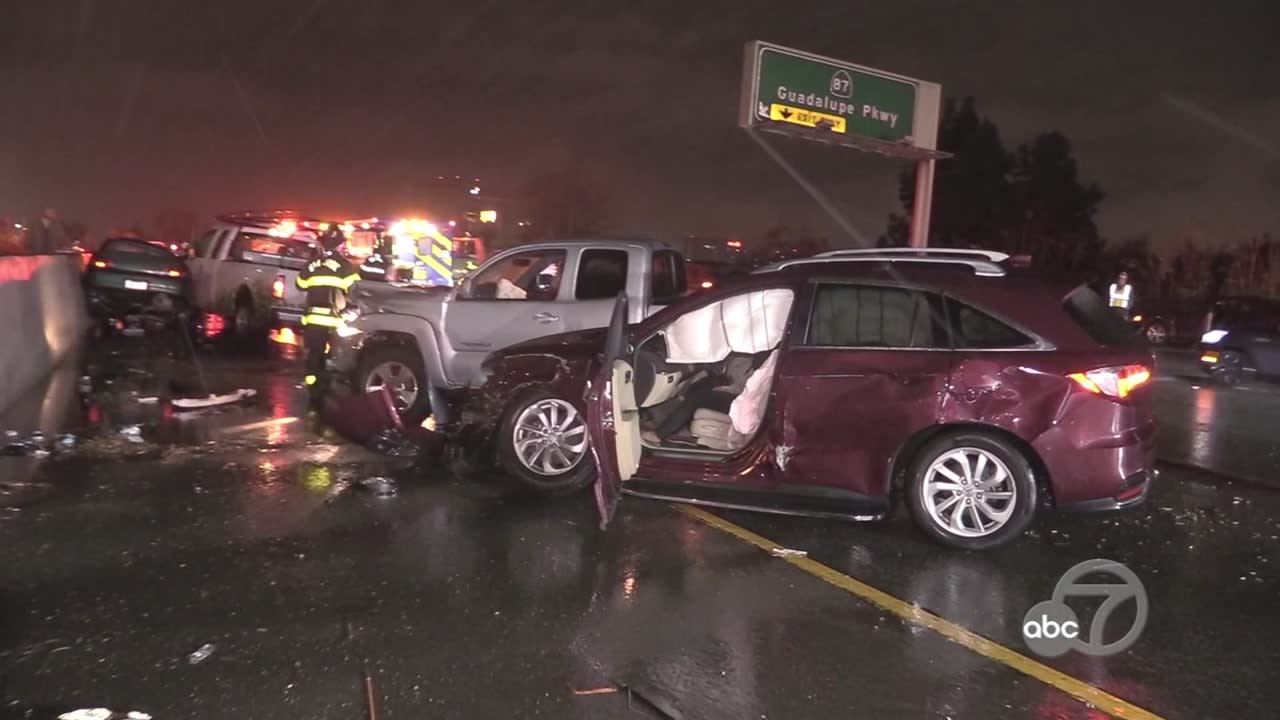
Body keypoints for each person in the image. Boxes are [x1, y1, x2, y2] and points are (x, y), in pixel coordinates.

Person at [296, 224, 359, 407]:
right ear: (340, 245)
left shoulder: (312, 263)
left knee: (314, 354)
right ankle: (328, 387)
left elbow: (300, 284)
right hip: (335, 320)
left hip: (313, 319)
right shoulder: (345, 266)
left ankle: (313, 388)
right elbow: (355, 291)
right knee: (334, 355)